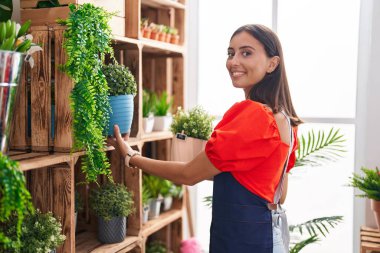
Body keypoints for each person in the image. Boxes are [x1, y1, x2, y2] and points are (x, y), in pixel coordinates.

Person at [108, 24, 302, 253]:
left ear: (272, 63)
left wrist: (132, 156)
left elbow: (188, 175)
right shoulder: (285, 119)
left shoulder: (253, 115)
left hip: (243, 243)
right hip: (270, 238)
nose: (233, 62)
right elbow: (278, 192)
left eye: (246, 53)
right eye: (231, 53)